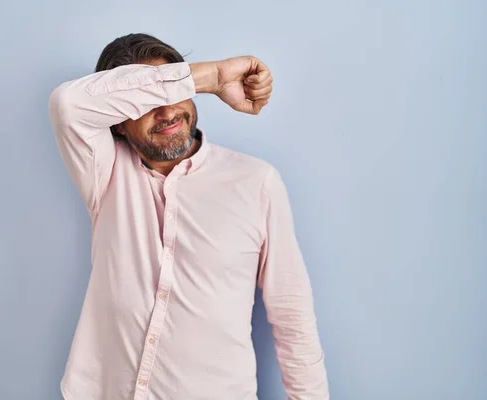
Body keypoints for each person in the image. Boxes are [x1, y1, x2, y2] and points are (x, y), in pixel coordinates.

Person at [48, 33, 329, 400]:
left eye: (171, 91)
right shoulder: (105, 173)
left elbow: (293, 316)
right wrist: (211, 76)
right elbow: (67, 103)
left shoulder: (256, 182)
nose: (166, 112)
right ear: (118, 122)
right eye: (149, 100)